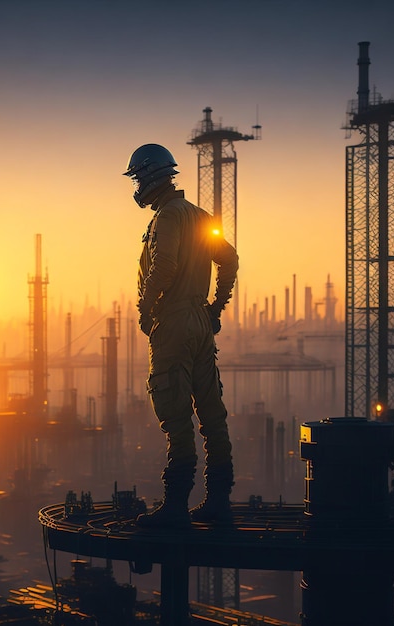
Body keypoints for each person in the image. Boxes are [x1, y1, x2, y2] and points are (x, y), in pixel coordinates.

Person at [123, 143, 238, 528]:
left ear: (152, 176)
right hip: (200, 323)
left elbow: (164, 266)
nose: (137, 185)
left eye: (138, 177)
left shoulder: (168, 217)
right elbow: (230, 258)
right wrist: (215, 308)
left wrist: (144, 307)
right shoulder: (198, 216)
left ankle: (174, 508)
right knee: (211, 414)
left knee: (175, 415)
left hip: (172, 322)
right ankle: (218, 501)